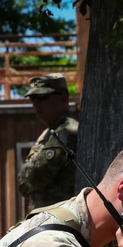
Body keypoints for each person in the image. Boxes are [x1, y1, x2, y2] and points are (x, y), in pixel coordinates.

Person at [17, 74, 80, 210]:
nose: (36, 103)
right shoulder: (48, 133)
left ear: (63, 97)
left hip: (60, 218)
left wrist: (25, 177)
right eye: (33, 98)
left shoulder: (68, 131)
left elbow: (34, 178)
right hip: (46, 219)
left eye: (43, 97)